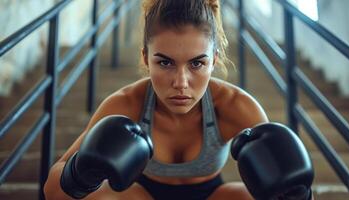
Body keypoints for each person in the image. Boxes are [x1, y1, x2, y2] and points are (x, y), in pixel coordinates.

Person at [44, 0, 313, 199]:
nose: (181, 82)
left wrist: (296, 195)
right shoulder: (125, 104)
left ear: (214, 61)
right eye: (165, 62)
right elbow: (52, 191)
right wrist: (81, 174)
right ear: (145, 58)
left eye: (197, 63)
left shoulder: (236, 106)